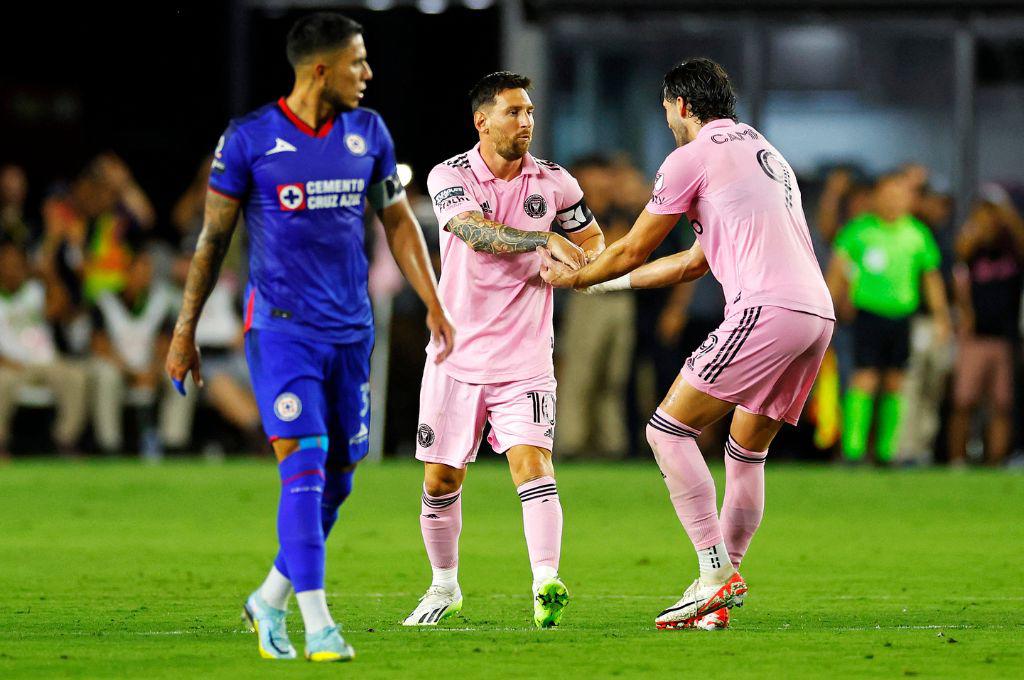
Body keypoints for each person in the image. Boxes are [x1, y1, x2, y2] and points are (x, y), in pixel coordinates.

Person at [164, 12, 455, 663]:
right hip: (281, 330)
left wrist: (434, 302)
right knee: (304, 463)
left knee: (339, 477)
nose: (368, 74)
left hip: (351, 332)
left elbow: (399, 223)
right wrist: (184, 331)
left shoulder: (369, 132)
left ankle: (267, 598)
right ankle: (316, 625)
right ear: (320, 68)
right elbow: (212, 241)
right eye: (358, 62)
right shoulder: (249, 140)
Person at [539, 58, 835, 630]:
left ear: (678, 105)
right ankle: (718, 596)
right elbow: (693, 262)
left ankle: (714, 571)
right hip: (814, 314)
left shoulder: (689, 158)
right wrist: (611, 285)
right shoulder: (761, 151)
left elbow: (632, 248)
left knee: (666, 429)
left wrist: (577, 277)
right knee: (746, 450)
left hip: (767, 309)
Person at [402, 71, 603, 630]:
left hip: (526, 359)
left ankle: (546, 584)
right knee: (441, 480)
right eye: (514, 112)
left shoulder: (556, 182)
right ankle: (444, 587)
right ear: (481, 120)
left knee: (532, 465)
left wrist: (577, 270)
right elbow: (473, 233)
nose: (526, 122)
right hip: (455, 357)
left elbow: (591, 240)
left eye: (531, 111)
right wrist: (543, 241)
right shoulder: (452, 175)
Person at [826, 173, 951, 465]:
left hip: (902, 317)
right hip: (867, 316)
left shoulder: (917, 234)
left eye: (900, 195)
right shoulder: (858, 231)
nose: (894, 200)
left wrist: (942, 316)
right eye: (888, 194)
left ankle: (887, 452)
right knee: (863, 380)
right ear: (875, 198)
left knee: (897, 382)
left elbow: (931, 279)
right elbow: (837, 273)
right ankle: (854, 451)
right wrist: (826, 309)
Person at [948, 191, 1024, 466]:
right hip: (975, 337)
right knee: (964, 400)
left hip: (1004, 338)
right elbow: (960, 254)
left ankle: (995, 461)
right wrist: (977, 227)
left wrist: (1007, 217)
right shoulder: (973, 246)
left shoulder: (1012, 246)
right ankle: (957, 460)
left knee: (1001, 404)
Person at [0, 241, 88, 459]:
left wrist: (48, 274)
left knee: (77, 377)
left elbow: (62, 307)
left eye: (18, 264)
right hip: (11, 366)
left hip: (46, 363)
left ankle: (65, 442)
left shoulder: (35, 291)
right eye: (7, 264)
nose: (13, 269)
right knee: (2, 381)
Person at [90, 250, 178, 458]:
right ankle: (109, 445)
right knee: (105, 374)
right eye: (139, 271)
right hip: (118, 366)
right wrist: (131, 373)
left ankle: (174, 444)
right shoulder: (106, 302)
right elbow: (101, 347)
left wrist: (153, 371)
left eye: (148, 272)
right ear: (127, 273)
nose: (144, 277)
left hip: (150, 367)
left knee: (181, 374)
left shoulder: (160, 303)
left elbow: (165, 346)